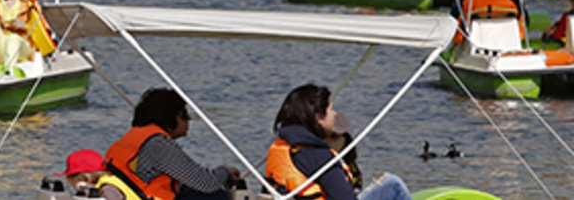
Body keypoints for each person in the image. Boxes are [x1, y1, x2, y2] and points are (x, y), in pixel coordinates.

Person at [268, 84, 410, 200]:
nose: (335, 114)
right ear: (319, 117)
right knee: (392, 184)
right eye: (331, 110)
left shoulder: (283, 146)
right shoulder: (319, 156)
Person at [102, 87, 240, 200]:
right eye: (184, 114)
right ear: (170, 117)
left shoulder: (131, 139)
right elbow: (205, 182)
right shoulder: (158, 144)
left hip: (134, 194)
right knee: (214, 196)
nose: (189, 118)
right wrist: (225, 172)